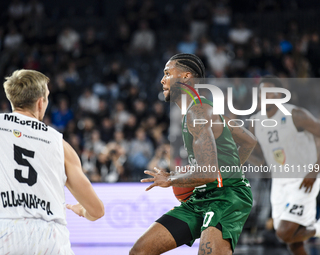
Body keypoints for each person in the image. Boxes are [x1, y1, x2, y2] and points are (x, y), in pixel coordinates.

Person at [130, 53, 257, 255]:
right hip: (201, 197)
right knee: (140, 251)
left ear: (186, 76)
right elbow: (249, 139)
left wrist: (171, 179)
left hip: (226, 198)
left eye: (167, 73)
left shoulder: (197, 112)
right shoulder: (202, 109)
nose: (162, 79)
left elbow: (208, 173)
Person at [0, 69, 104, 254]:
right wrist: (84, 212)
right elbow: (97, 210)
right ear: (40, 102)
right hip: (50, 237)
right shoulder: (62, 145)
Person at [249, 76, 320, 255]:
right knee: (293, 242)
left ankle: (318, 229)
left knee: (284, 232)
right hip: (279, 183)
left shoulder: (295, 114)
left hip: (304, 178)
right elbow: (257, 156)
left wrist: (315, 171)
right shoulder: (254, 122)